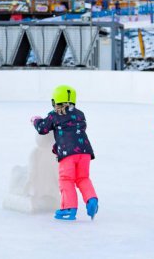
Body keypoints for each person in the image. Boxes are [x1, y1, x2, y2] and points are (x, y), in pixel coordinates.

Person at [31, 85, 98, 221]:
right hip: (85, 152)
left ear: (55, 102)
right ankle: (92, 199)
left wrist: (35, 120)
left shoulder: (54, 115)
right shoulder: (80, 114)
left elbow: (42, 128)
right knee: (83, 178)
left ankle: (69, 208)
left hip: (68, 154)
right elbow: (73, 131)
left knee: (66, 179)